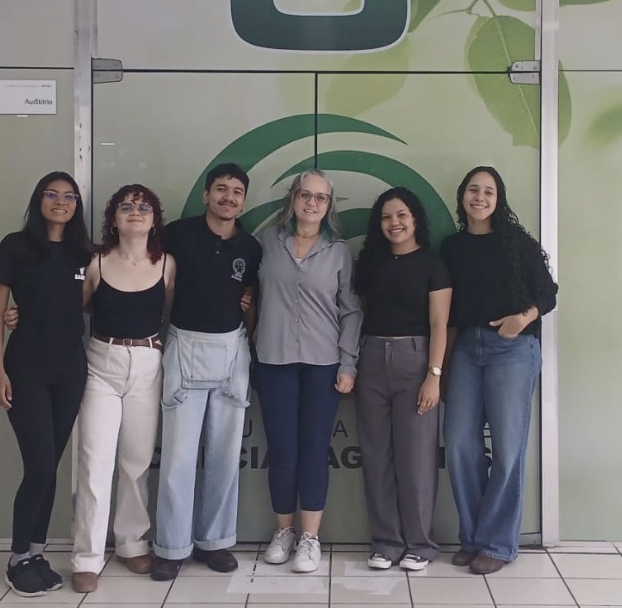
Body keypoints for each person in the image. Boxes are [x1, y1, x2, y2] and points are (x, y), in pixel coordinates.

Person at [440, 166, 557, 575]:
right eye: (473, 189)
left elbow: (548, 293)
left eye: (488, 191)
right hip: (466, 350)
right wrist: (442, 365)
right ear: (462, 196)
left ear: (498, 199)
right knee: (459, 444)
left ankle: (497, 543)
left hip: (512, 350)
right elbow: (447, 311)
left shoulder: (517, 243)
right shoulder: (451, 247)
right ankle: (473, 538)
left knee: (507, 450)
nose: (480, 197)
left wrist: (521, 319)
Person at [149, 164, 262, 581]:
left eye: (236, 192)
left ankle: (215, 541)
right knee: (178, 457)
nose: (228, 197)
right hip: (185, 345)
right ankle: (171, 547)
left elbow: (251, 296)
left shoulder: (250, 247)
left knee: (224, 456)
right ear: (206, 194)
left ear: (243, 201)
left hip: (232, 349)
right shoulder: (177, 235)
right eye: (221, 189)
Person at [0, 171, 94, 598]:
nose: (60, 202)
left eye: (69, 196)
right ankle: (17, 559)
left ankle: (36, 553)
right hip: (26, 369)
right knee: (39, 467)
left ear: (77, 206)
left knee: (50, 468)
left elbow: (87, 302)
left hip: (70, 371)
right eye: (52, 194)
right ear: (39, 200)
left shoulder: (83, 253)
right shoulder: (15, 246)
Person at [253, 169, 363, 574]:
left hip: (323, 364)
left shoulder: (338, 252)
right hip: (273, 360)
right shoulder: (266, 243)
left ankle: (310, 538)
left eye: (321, 197)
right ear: (293, 198)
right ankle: (283, 532)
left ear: (329, 205)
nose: (312, 203)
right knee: (282, 450)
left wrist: (348, 363)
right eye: (306, 195)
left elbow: (351, 311)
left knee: (315, 450)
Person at [70, 185, 176, 593]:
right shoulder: (96, 262)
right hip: (101, 364)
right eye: (126, 206)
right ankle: (87, 557)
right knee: (95, 463)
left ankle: (132, 544)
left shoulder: (167, 264)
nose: (136, 211)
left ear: (155, 219)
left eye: (144, 206)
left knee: (136, 462)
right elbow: (76, 307)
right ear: (113, 219)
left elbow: (170, 310)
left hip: (148, 363)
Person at [352, 187, 451, 572]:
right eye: (386, 217)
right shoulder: (370, 263)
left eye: (402, 215)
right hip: (371, 358)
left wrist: (434, 376)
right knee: (376, 456)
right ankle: (386, 542)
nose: (394, 223)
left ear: (415, 220)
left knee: (416, 460)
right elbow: (360, 312)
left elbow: (440, 324)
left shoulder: (433, 264)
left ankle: (420, 544)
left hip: (416, 359)